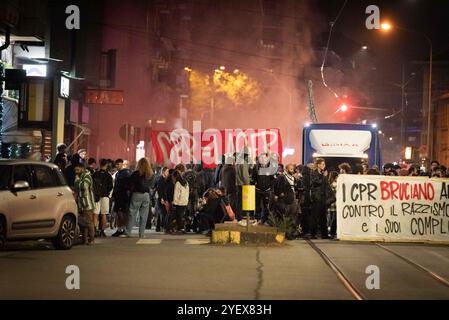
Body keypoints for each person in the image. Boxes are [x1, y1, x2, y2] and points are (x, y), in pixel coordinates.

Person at [124, 158, 154, 238]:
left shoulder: (135, 174)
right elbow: (152, 185)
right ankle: (142, 233)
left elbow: (129, 184)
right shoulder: (150, 174)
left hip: (136, 194)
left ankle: (128, 232)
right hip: (146, 195)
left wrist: (130, 190)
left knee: (132, 213)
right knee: (144, 215)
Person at [273, 163, 300, 239]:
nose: (292, 171)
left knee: (293, 217)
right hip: (285, 201)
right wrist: (282, 195)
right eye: (291, 169)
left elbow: (296, 188)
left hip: (292, 200)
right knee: (286, 217)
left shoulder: (293, 178)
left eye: (293, 169)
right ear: (286, 169)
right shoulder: (282, 177)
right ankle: (286, 233)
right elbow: (277, 188)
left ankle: (291, 233)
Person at [73, 162, 96, 245]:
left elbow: (84, 186)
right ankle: (85, 239)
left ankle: (92, 239)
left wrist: (77, 181)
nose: (76, 171)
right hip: (81, 204)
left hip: (87, 204)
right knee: (83, 224)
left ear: (82, 169)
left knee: (89, 222)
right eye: (75, 170)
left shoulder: (87, 176)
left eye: (77, 170)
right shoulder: (80, 176)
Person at [92, 159, 113, 237]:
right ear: (106, 165)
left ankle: (94, 230)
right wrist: (106, 192)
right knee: (104, 214)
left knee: (95, 213)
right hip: (105, 196)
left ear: (100, 164)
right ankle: (102, 231)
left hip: (96, 196)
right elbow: (110, 187)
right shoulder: (108, 175)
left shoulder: (95, 174)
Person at [310, 158, 330, 239]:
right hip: (316, 197)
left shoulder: (323, 173)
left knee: (323, 216)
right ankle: (313, 234)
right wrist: (323, 176)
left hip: (323, 197)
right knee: (315, 216)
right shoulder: (313, 173)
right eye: (322, 164)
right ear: (318, 165)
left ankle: (324, 234)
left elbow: (326, 185)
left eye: (324, 164)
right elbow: (316, 182)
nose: (324, 166)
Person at [111, 159, 132, 237]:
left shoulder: (125, 173)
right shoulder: (118, 174)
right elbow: (116, 185)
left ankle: (122, 229)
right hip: (118, 196)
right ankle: (120, 229)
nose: (117, 166)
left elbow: (127, 186)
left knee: (122, 213)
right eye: (116, 164)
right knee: (119, 213)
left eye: (118, 164)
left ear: (122, 164)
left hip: (123, 196)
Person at [235, 151, 251, 220]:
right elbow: (245, 176)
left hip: (238, 184)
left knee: (239, 201)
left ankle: (238, 216)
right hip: (243, 184)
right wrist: (248, 184)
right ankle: (240, 217)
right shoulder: (244, 163)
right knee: (241, 201)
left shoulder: (238, 163)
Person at [184, 164, 199, 232]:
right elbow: (201, 184)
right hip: (195, 193)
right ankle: (195, 226)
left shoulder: (184, 174)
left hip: (187, 194)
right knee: (195, 209)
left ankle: (187, 226)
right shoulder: (196, 174)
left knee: (187, 209)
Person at [155, 167, 170, 232]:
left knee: (160, 213)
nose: (168, 173)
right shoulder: (161, 179)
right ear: (163, 172)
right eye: (167, 171)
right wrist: (162, 198)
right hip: (161, 199)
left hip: (161, 198)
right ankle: (162, 226)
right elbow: (160, 190)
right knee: (163, 213)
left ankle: (158, 227)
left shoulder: (162, 179)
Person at [327, 171, 338, 239]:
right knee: (334, 219)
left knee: (331, 218)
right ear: (336, 177)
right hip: (335, 204)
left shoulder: (330, 184)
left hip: (331, 204)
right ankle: (332, 232)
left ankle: (330, 232)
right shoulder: (335, 184)